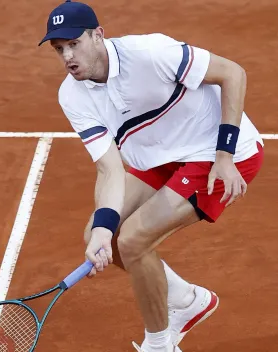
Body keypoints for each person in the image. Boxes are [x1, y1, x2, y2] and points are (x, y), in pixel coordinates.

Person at [38, 1, 264, 351]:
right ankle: (188, 301)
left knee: (132, 241)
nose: (68, 56)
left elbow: (232, 73)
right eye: (59, 49)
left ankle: (160, 344)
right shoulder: (72, 95)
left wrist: (225, 154)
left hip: (214, 153)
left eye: (74, 43)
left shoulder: (149, 53)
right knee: (104, 235)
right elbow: (110, 168)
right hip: (161, 155)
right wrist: (100, 229)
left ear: (98, 35)